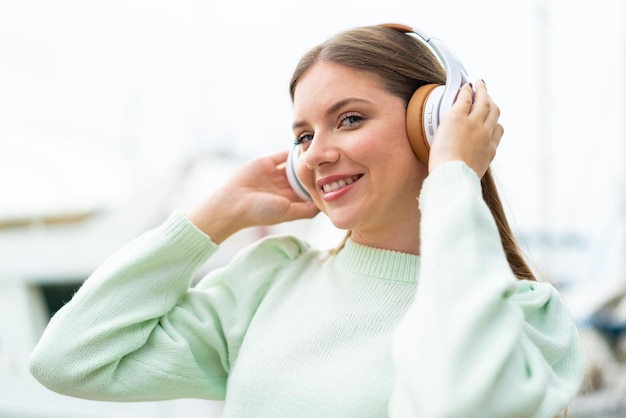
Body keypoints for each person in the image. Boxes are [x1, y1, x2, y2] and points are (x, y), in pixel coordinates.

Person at [28, 24, 583, 417]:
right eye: (303, 135)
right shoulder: (269, 285)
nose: (315, 153)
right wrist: (212, 218)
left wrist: (454, 179)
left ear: (431, 123)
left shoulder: (529, 319)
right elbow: (69, 359)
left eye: (349, 118)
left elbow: (454, 399)